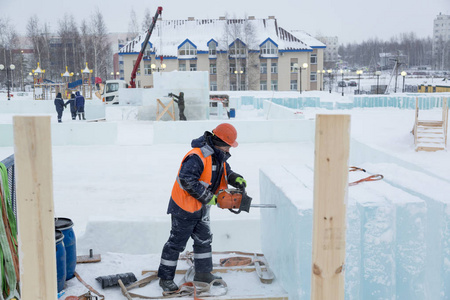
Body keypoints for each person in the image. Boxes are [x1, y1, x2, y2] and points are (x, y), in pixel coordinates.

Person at [157, 123, 247, 292]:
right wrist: (210, 198)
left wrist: (236, 179)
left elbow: (225, 171)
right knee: (176, 243)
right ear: (220, 142)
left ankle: (203, 273)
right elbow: (186, 180)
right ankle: (165, 278)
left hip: (202, 207)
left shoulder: (218, 155)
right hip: (184, 207)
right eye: (229, 145)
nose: (230, 149)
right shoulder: (197, 156)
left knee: (204, 240)